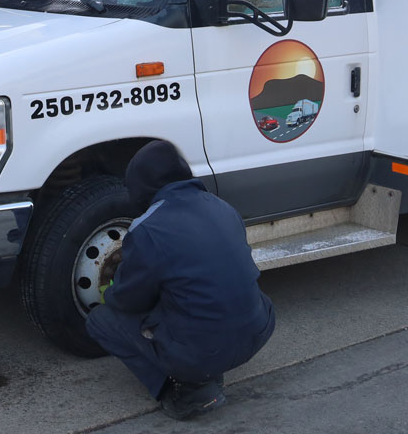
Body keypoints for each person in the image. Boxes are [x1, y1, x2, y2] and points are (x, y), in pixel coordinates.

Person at [85, 140, 276, 419]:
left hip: (204, 353)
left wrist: (111, 290)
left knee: (100, 321)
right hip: (258, 331)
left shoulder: (149, 229)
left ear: (140, 187)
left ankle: (186, 392)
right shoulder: (222, 207)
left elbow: (129, 299)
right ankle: (210, 365)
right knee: (210, 292)